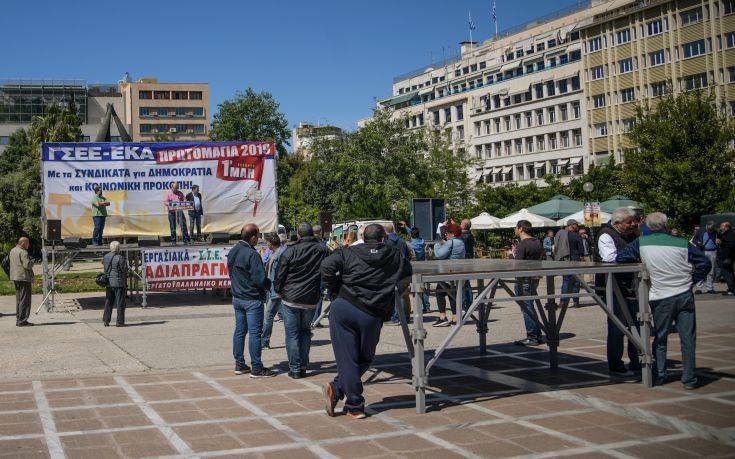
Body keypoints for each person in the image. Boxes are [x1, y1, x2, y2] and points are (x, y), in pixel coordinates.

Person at [321, 224, 412, 419]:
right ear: (383, 238)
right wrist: (389, 291)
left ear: (362, 237)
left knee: (350, 359)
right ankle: (354, 404)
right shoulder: (395, 254)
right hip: (373, 312)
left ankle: (338, 390)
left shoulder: (347, 252)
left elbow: (326, 266)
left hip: (345, 305)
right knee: (364, 357)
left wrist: (334, 289)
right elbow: (407, 275)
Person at [616, 212, 710, 389]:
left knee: (660, 337)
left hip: (660, 295)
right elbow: (705, 263)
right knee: (688, 339)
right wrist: (692, 280)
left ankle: (660, 374)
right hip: (684, 293)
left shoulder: (641, 242)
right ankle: (689, 379)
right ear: (666, 226)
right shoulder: (683, 242)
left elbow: (620, 258)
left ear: (648, 227)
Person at [274, 223, 331, 379]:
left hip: (291, 297)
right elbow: (331, 268)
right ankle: (303, 365)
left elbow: (280, 273)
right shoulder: (323, 250)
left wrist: (278, 290)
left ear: (298, 235)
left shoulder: (290, 250)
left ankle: (295, 368)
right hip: (311, 298)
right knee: (305, 332)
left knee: (292, 333)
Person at [226, 223, 276, 378]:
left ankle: (239, 364)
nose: (259, 239)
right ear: (253, 237)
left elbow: (230, 271)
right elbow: (259, 278)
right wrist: (270, 285)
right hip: (251, 299)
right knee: (255, 333)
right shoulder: (251, 254)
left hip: (238, 297)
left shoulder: (234, 250)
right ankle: (256, 367)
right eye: (258, 236)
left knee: (240, 331)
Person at [595, 207, 641, 374]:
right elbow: (609, 258)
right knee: (617, 327)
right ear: (617, 223)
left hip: (631, 286)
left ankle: (637, 360)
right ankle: (616, 363)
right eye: (629, 222)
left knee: (637, 324)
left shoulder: (631, 235)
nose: (633, 224)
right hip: (614, 287)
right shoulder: (606, 234)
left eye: (634, 221)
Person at [510, 220, 545, 346]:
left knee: (526, 308)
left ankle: (532, 337)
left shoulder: (522, 245)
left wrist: (511, 255)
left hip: (523, 279)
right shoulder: (537, 242)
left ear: (520, 229)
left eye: (515, 227)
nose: (515, 229)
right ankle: (538, 335)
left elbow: (517, 264)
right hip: (535, 277)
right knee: (531, 306)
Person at [432, 226, 465, 327]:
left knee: (439, 291)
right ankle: (455, 317)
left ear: (453, 234)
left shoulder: (451, 242)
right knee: (452, 292)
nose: (446, 234)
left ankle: (443, 317)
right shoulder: (461, 242)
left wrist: (437, 244)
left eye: (448, 232)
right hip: (457, 271)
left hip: (447, 270)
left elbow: (439, 255)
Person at [384, 222, 413, 325]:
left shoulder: (387, 243)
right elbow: (408, 256)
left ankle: (397, 318)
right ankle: (406, 316)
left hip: (394, 272)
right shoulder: (402, 241)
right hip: (405, 271)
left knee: (396, 295)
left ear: (385, 231)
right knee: (404, 295)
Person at [261, 233, 285, 349]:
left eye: (267, 242)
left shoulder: (281, 253)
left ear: (270, 243)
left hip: (276, 291)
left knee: (268, 316)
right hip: (271, 289)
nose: (266, 244)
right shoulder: (273, 253)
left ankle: (264, 342)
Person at [102, 241, 128, 327]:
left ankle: (106, 320)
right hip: (118, 283)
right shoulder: (120, 258)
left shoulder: (105, 257)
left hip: (109, 282)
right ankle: (119, 322)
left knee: (108, 301)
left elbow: (105, 268)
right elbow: (124, 270)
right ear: (118, 248)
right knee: (120, 303)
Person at [9, 237, 34, 327]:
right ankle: (22, 320)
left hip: (15, 277)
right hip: (24, 278)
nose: (29, 245)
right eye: (27, 243)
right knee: (25, 299)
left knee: (19, 299)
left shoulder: (13, 250)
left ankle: (19, 318)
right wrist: (32, 262)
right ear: (22, 243)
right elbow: (27, 265)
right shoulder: (23, 252)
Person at [559, 219, 583, 308]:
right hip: (576, 260)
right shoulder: (576, 236)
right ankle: (576, 302)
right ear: (571, 225)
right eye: (576, 224)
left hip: (565, 261)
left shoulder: (562, 235)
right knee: (576, 282)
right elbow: (581, 249)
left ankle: (562, 302)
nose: (577, 226)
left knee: (565, 281)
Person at [692, 221, 718, 294]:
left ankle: (710, 288)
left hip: (712, 251)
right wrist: (698, 243)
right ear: (707, 226)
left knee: (711, 271)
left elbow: (721, 239)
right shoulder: (700, 231)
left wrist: (719, 242)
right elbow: (694, 240)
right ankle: (699, 288)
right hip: (702, 251)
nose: (711, 230)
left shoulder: (716, 232)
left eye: (712, 229)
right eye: (710, 229)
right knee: (701, 268)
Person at [410, 227, 431, 313]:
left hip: (415, 268)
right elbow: (414, 234)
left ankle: (416, 307)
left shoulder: (411, 244)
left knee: (415, 288)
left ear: (411, 235)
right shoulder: (422, 241)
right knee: (424, 287)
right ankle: (427, 306)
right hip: (423, 266)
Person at [719, 221, 735, 296]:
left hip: (727, 257)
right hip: (727, 256)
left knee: (727, 274)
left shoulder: (730, 234)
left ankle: (731, 290)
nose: (721, 228)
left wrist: (721, 243)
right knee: (729, 273)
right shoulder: (727, 233)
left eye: (722, 226)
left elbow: (731, 245)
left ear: (726, 227)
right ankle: (731, 289)